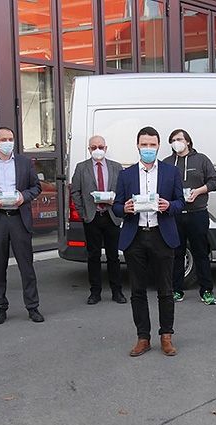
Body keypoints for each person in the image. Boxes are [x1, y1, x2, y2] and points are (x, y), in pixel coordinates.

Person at [113, 126, 185, 357]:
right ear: (137, 146)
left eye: (152, 145)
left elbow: (180, 202)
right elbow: (116, 205)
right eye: (144, 145)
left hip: (161, 235)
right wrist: (123, 208)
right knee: (137, 291)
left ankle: (166, 336)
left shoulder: (170, 172)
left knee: (166, 289)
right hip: (135, 237)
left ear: (158, 146)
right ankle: (143, 337)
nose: (148, 149)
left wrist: (169, 206)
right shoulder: (126, 175)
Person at [0, 127, 44, 325]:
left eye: (10, 139)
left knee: (26, 266)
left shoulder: (24, 163)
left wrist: (24, 196)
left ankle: (33, 307)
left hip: (19, 219)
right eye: (3, 139)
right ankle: (0, 308)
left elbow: (36, 187)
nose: (7, 142)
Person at [163, 129, 216, 305]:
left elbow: (214, 181)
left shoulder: (201, 159)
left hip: (198, 213)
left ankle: (206, 291)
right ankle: (177, 290)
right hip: (175, 214)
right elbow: (161, 186)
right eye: (173, 140)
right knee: (176, 254)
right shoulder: (167, 162)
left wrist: (198, 191)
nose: (176, 142)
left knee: (201, 253)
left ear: (188, 141)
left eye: (179, 139)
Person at [70, 135, 126, 305]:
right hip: (92, 217)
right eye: (93, 147)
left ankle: (117, 292)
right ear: (89, 149)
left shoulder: (116, 167)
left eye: (100, 147)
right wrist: (83, 213)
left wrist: (115, 201)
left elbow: (123, 191)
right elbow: (75, 192)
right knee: (93, 256)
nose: (97, 150)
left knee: (113, 256)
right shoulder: (81, 168)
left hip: (111, 217)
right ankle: (95, 292)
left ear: (106, 148)